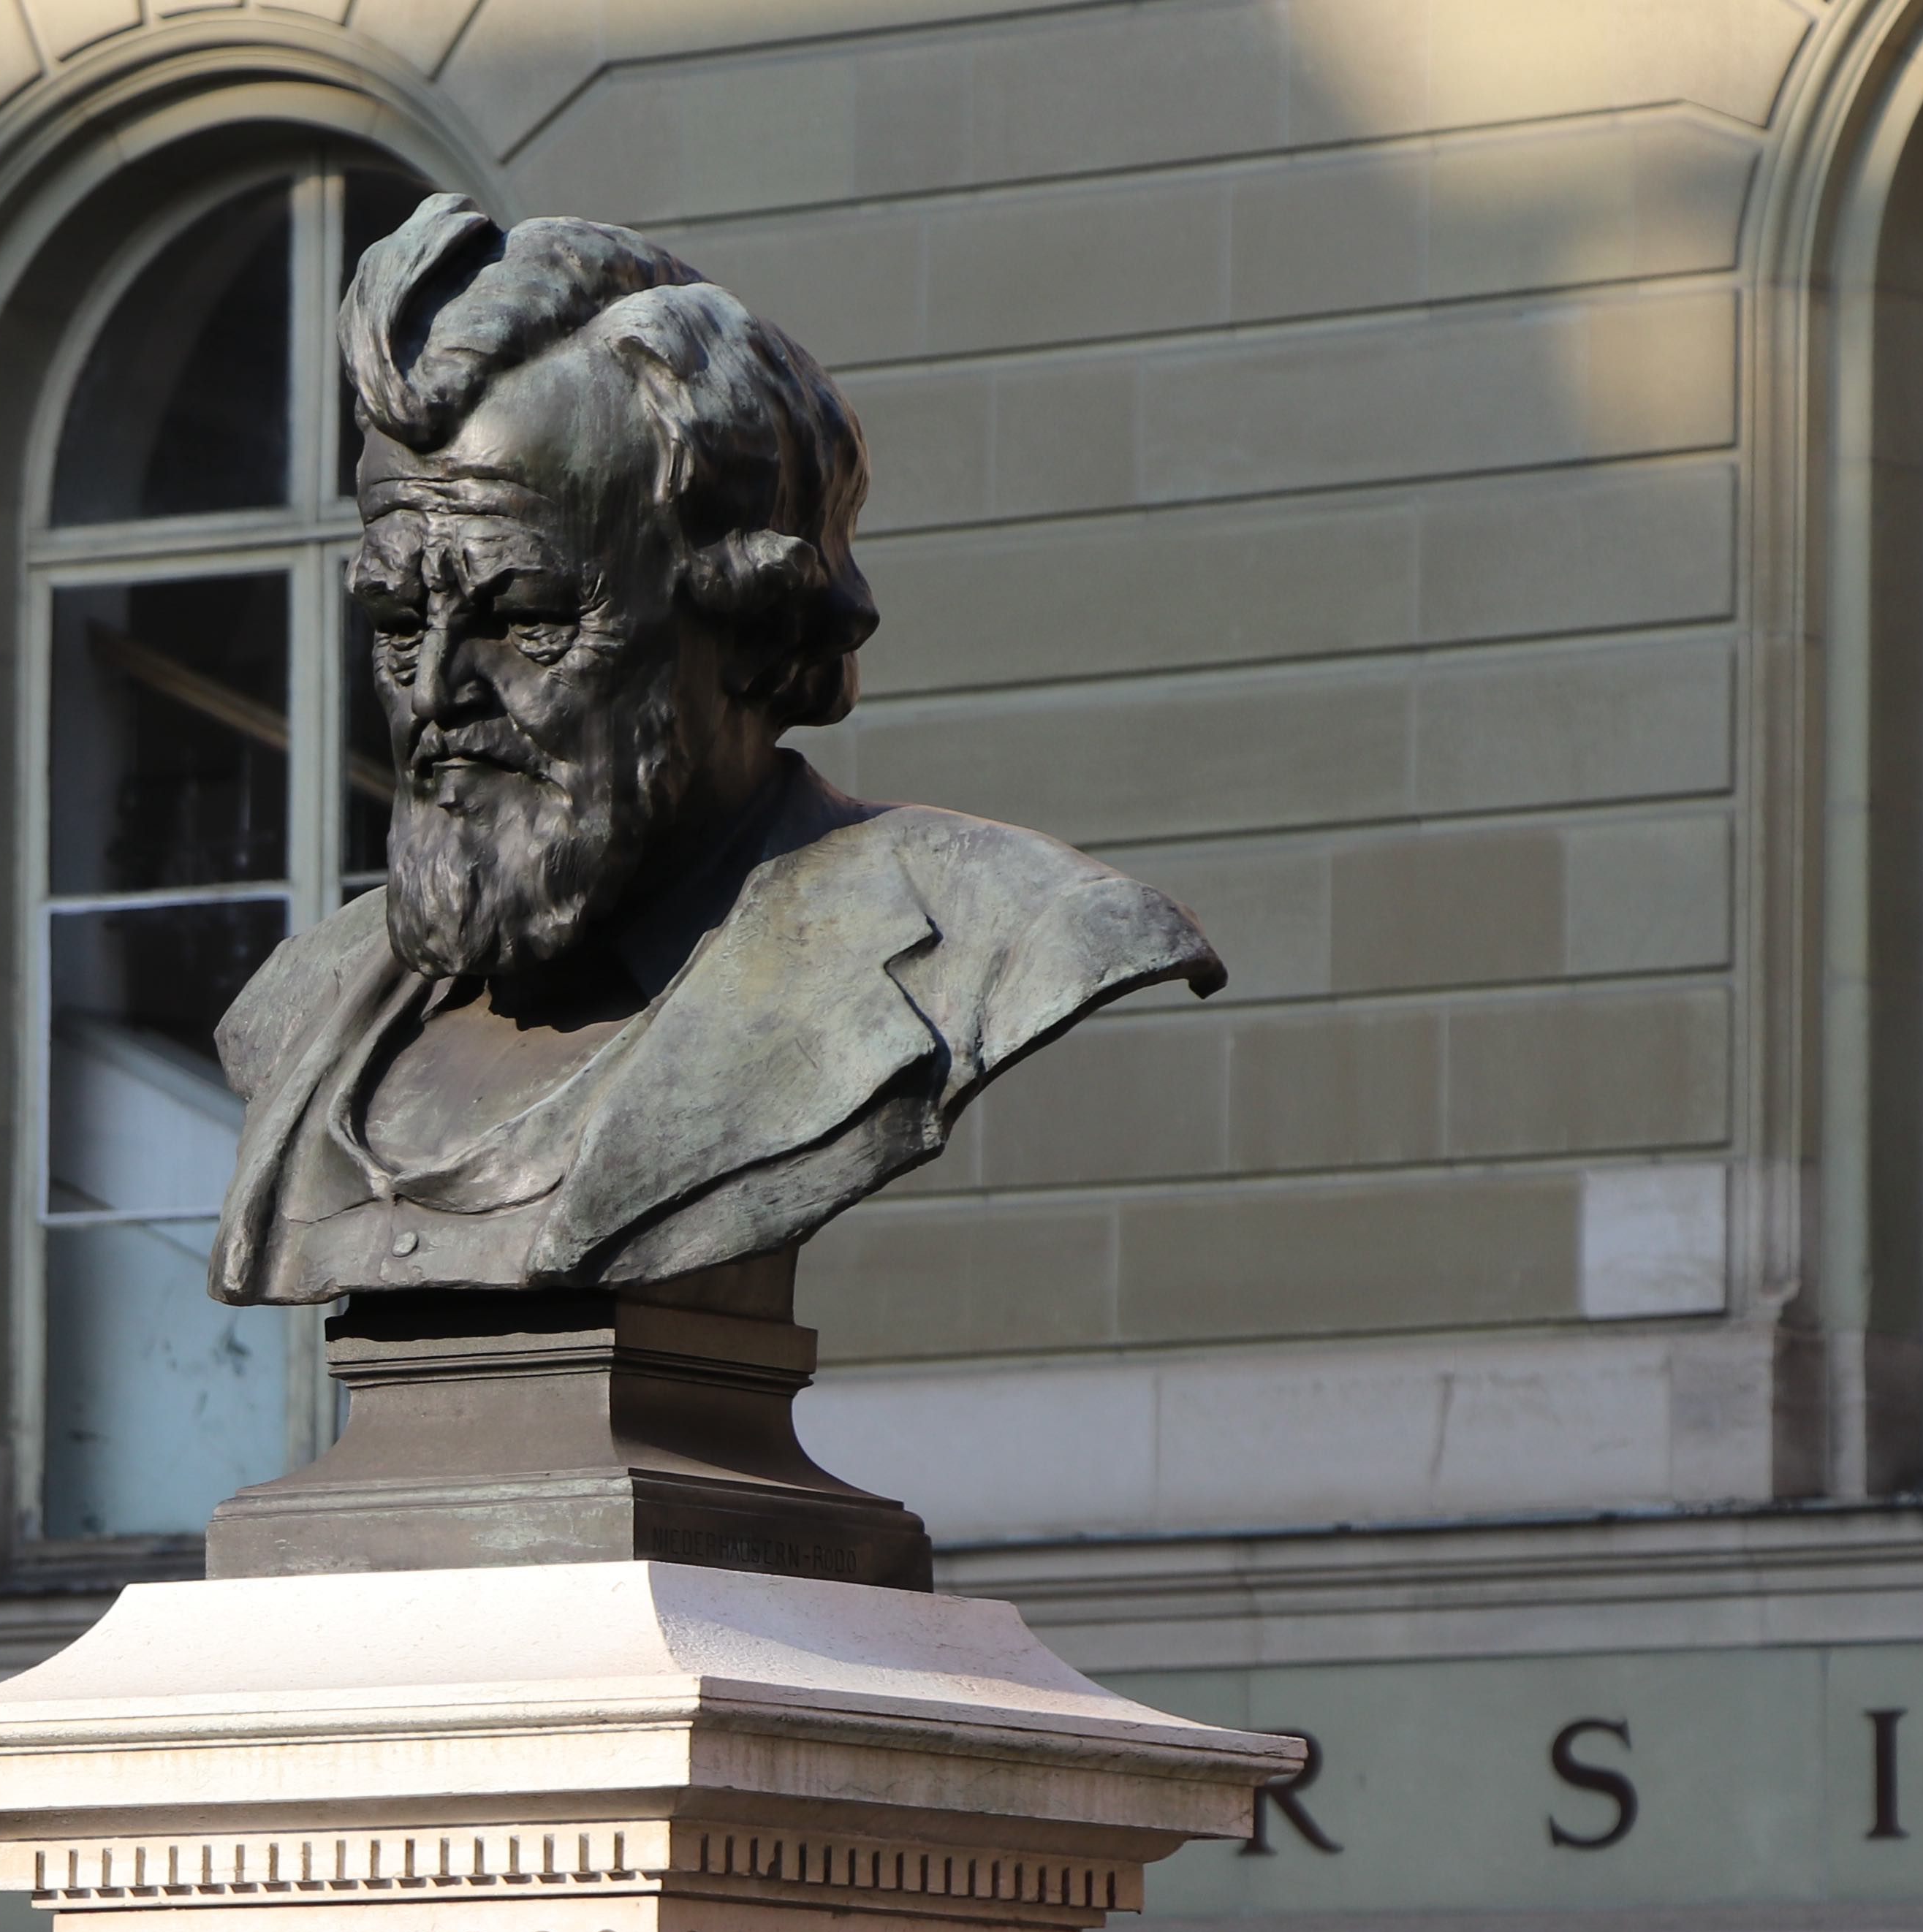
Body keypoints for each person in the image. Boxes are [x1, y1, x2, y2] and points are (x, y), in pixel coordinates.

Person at [208, 196, 1223, 1307]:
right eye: (399, 625)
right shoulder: (297, 1003)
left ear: (751, 619)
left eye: (525, 615)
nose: (439, 692)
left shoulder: (1017, 933)